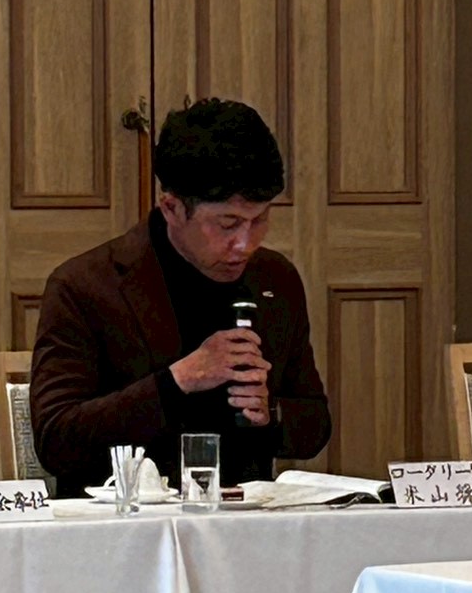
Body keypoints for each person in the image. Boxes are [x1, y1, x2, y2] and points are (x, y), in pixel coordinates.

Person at [32, 98, 331, 493]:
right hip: (124, 518)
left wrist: (269, 412)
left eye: (259, 220)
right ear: (171, 208)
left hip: (243, 514)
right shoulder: (86, 286)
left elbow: (315, 424)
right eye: (228, 224)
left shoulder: (276, 279)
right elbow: (57, 441)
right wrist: (178, 382)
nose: (245, 244)